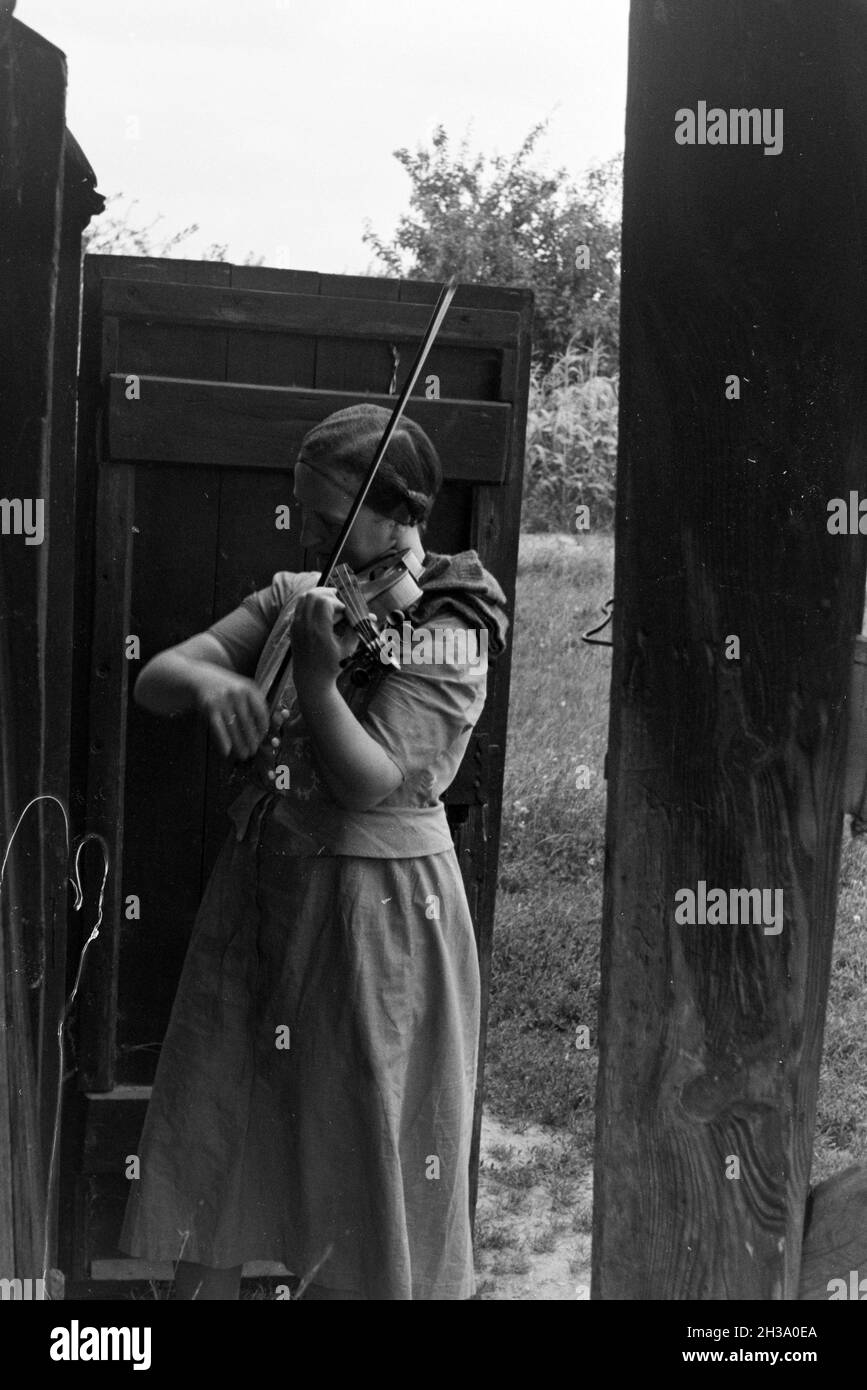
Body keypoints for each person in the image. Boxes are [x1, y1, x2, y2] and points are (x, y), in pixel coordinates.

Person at [118, 403, 509, 1300]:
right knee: (222, 1119)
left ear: (402, 514)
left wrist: (317, 679)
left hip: (375, 913)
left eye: (329, 518)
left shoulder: (448, 623)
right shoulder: (302, 595)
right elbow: (158, 678)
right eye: (304, 511)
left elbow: (367, 780)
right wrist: (213, 682)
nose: (308, 534)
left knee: (357, 1140)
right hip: (266, 890)